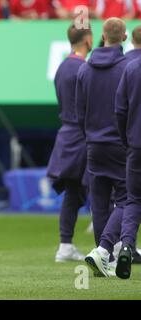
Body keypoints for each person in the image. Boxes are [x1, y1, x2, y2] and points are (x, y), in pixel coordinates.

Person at [76, 18, 129, 277]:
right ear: (125, 37)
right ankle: (104, 250)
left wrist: (90, 134)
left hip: (94, 143)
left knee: (98, 201)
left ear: (102, 36)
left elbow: (79, 112)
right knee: (128, 199)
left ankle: (101, 256)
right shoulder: (128, 68)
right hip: (120, 143)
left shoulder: (85, 70)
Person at [47, 24, 93, 263]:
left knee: (73, 192)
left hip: (67, 133)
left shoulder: (62, 67)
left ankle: (65, 244)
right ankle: (110, 246)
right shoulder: (83, 69)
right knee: (102, 187)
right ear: (87, 40)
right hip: (83, 135)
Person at [115, 32, 141, 279]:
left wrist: (127, 139)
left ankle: (126, 246)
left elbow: (120, 110)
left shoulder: (131, 69)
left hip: (136, 144)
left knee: (133, 200)